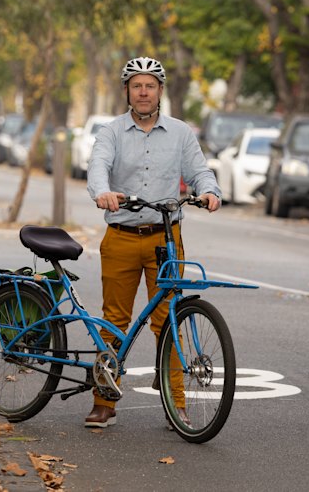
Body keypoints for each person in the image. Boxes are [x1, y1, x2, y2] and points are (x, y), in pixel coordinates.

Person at [85, 56, 222, 429]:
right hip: (122, 237)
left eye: (150, 85)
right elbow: (98, 165)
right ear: (127, 91)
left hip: (167, 238)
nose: (143, 92)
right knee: (114, 320)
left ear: (160, 91)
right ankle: (104, 402)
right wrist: (102, 192)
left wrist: (209, 191)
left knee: (168, 322)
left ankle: (175, 404)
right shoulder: (111, 132)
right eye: (136, 85)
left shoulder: (180, 132)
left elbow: (199, 170)